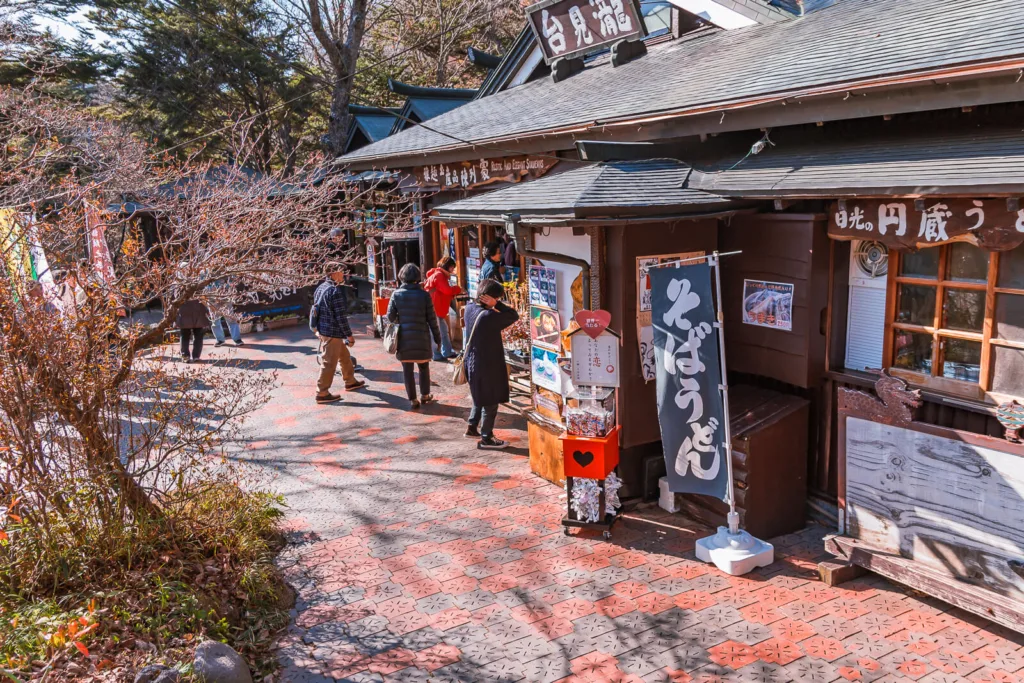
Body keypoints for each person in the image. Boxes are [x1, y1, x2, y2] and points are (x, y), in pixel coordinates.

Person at [463, 278, 519, 449]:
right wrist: (498, 305)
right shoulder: (488, 316)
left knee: (479, 395)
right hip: (486, 364)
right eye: (498, 298)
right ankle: (486, 438)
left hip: (472, 361)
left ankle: (472, 426)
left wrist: (494, 303)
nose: (499, 301)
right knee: (491, 401)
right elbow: (513, 316)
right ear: (491, 298)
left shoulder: (469, 308)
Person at [387, 263, 441, 409]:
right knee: (423, 366)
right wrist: (438, 338)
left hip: (404, 338)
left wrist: (401, 320)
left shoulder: (396, 294)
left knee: (407, 369)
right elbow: (432, 320)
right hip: (421, 337)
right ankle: (425, 395)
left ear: (401, 277)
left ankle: (412, 399)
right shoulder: (424, 295)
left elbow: (390, 316)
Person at [313, 267, 367, 404]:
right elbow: (341, 318)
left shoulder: (321, 288)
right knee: (329, 362)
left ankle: (350, 381)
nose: (344, 274)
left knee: (344, 356)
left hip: (324, 330)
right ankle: (322, 392)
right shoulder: (334, 291)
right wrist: (349, 336)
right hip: (333, 332)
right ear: (333, 274)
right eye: (341, 272)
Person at [424, 256, 461, 362]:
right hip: (434, 308)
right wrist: (458, 289)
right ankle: (436, 354)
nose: (453, 270)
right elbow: (447, 290)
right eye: (452, 267)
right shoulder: (439, 275)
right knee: (436, 332)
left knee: (443, 330)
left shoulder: (439, 274)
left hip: (436, 307)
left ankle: (447, 351)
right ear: (449, 267)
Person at [209, 280, 244, 347]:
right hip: (212, 300)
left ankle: (237, 339)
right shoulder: (204, 272)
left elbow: (231, 281)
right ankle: (220, 340)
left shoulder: (224, 270)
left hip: (226, 298)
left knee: (231, 319)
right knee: (215, 321)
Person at [176, 294, 209, 363]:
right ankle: (196, 356)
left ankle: (185, 356)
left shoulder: (178, 285)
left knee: (184, 335)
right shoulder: (199, 285)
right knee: (198, 336)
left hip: (184, 313)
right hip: (198, 313)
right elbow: (204, 298)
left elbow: (175, 299)